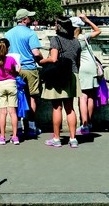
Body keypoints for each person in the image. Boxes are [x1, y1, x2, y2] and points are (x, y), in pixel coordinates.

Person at [40, 17, 81, 148]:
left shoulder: (55, 39)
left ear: (59, 26)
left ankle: (57, 139)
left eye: (56, 24)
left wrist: (42, 61)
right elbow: (77, 61)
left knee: (57, 107)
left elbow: (53, 59)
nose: (54, 26)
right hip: (72, 74)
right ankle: (73, 138)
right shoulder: (76, 41)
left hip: (58, 75)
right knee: (70, 108)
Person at [5, 9, 43, 137]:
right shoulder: (31, 33)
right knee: (31, 96)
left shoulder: (8, 33)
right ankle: (31, 126)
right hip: (29, 68)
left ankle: (19, 126)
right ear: (24, 19)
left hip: (14, 69)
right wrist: (42, 59)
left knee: (15, 98)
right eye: (29, 18)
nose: (30, 19)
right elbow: (36, 53)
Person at [71, 13, 101, 135]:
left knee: (82, 97)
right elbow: (98, 31)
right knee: (90, 97)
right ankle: (89, 122)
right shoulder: (84, 37)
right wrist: (87, 20)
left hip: (82, 68)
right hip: (92, 68)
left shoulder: (72, 40)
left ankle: (84, 125)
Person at [0, 38, 21, 145]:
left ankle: (2, 137)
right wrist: (19, 68)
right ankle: (15, 137)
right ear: (8, 48)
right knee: (13, 112)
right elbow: (16, 72)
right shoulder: (11, 59)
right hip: (11, 84)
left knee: (3, 112)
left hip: (0, 85)